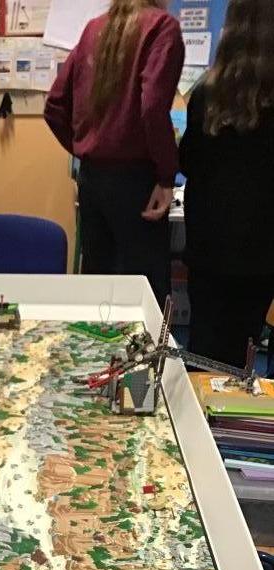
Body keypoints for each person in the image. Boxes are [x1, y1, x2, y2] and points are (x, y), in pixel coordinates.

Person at [44, 0, 184, 305]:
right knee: (145, 298)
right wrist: (165, 176)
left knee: (99, 295)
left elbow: (54, 106)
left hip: (93, 180)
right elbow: (152, 107)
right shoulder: (162, 26)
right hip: (137, 182)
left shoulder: (95, 28)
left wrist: (86, 149)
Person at [179, 0, 274, 368]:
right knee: (245, 345)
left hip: (209, 244)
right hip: (261, 250)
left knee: (203, 342)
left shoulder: (206, 93)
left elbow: (188, 162)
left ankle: (197, 401)